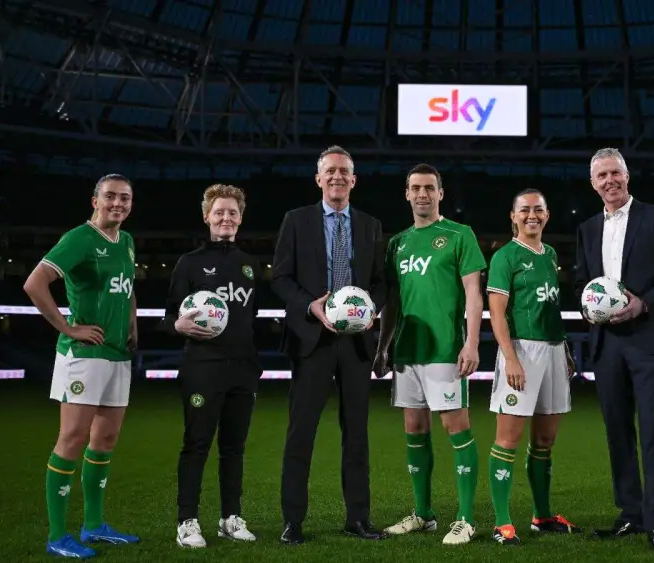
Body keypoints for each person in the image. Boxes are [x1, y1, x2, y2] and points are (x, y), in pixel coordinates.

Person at [271, 145, 387, 544]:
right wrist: (310, 306)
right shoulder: (296, 220)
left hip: (356, 342)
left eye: (344, 172)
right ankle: (293, 521)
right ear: (318, 179)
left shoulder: (371, 225)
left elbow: (381, 281)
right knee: (301, 432)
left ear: (353, 181)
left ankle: (358, 518)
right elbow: (281, 278)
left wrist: (372, 307)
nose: (337, 177)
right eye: (330, 171)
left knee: (357, 434)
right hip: (311, 340)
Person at [574, 148, 654, 551]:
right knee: (618, 432)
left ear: (627, 175)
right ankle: (630, 513)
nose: (610, 181)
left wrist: (644, 303)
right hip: (606, 345)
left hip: (649, 340)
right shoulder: (587, 228)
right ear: (593, 183)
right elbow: (582, 281)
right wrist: (588, 308)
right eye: (602, 175)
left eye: (615, 173)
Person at [23, 174, 140, 559]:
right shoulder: (79, 238)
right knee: (72, 439)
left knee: (104, 440)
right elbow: (35, 283)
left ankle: (93, 526)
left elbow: (127, 286)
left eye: (124, 198)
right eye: (110, 197)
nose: (117, 204)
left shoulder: (125, 241)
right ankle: (58, 535)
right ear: (95, 200)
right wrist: (68, 327)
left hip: (117, 354)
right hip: (84, 357)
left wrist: (133, 325)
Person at [373, 163, 486, 546]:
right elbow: (392, 300)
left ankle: (466, 519)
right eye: (415, 188)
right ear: (406, 194)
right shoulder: (397, 243)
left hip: (444, 352)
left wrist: (471, 343)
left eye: (429, 188)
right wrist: (383, 345)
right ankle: (424, 515)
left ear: (441, 194)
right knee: (414, 431)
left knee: (457, 430)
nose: (422, 194)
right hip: (407, 351)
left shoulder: (458, 235)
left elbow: (474, 293)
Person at [164, 184, 263, 548]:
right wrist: (177, 325)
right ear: (207, 216)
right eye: (219, 212)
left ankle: (230, 518)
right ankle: (187, 521)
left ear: (240, 217)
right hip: (202, 368)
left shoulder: (250, 265)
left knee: (234, 447)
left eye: (233, 212)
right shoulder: (188, 263)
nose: (226, 218)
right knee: (196, 445)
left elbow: (248, 318)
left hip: (242, 369)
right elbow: (167, 317)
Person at [485, 189, 582, 546]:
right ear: (513, 216)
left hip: (554, 350)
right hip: (521, 352)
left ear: (547, 214)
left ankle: (542, 516)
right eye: (524, 210)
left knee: (544, 440)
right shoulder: (505, 257)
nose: (531, 216)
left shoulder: (550, 254)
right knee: (507, 441)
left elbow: (551, 308)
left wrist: (566, 350)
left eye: (538, 210)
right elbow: (496, 314)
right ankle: (502, 522)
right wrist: (510, 357)